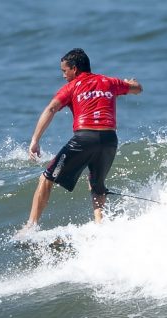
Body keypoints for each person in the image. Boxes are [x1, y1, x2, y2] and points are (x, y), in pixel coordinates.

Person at [22, 48, 142, 230]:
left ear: (75, 69)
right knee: (97, 186)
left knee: (46, 178)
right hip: (110, 140)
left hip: (84, 139)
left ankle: (30, 227)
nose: (63, 76)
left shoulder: (72, 86)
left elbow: (51, 109)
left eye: (64, 71)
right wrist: (129, 83)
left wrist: (35, 140)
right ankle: (100, 227)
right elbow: (138, 88)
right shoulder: (109, 82)